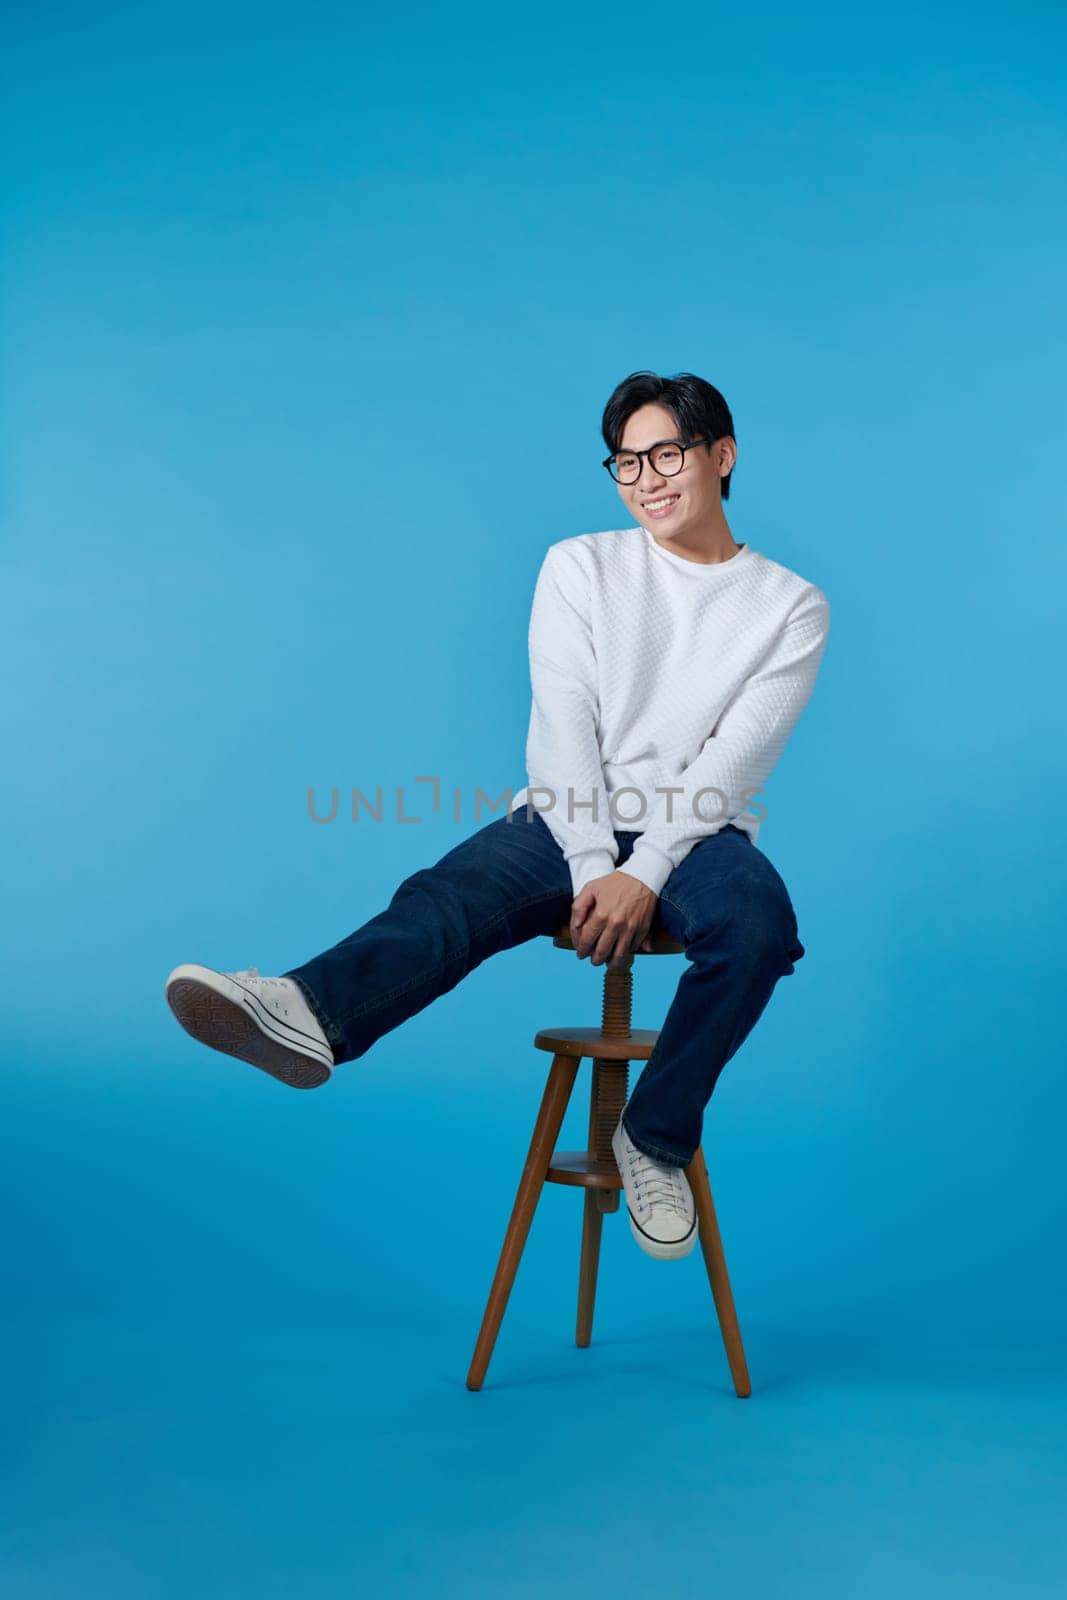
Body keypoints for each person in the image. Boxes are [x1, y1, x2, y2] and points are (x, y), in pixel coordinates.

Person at [166, 370, 830, 1264]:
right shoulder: (580, 565)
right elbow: (563, 729)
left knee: (756, 927)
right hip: (570, 813)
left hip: (698, 829)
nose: (646, 478)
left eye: (666, 453)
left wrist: (647, 869)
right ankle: (306, 1010)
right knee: (455, 893)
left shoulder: (788, 607)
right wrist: (597, 865)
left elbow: (730, 764)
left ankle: (655, 1139)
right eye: (625, 462)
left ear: (722, 455)